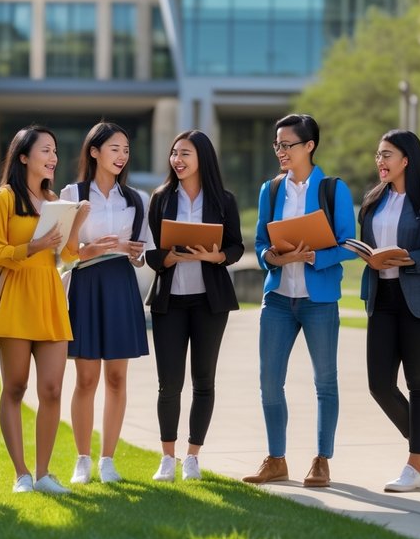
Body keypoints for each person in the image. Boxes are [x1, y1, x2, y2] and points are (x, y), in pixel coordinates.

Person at [244, 113, 357, 489]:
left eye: (287, 144)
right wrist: (270, 258)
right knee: (269, 382)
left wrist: (315, 257)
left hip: (318, 300)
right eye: (277, 145)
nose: (281, 151)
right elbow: (261, 242)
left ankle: (322, 460)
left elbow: (349, 245)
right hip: (277, 299)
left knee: (325, 381)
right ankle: (276, 460)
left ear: (309, 146)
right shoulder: (271, 190)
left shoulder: (333, 189)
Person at [0, 125, 87, 495]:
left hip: (50, 297)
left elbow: (68, 256)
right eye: (46, 150)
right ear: (23, 156)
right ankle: (21, 474)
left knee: (53, 388)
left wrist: (77, 224)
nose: (53, 157)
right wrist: (34, 244)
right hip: (15, 298)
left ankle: (43, 474)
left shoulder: (54, 199)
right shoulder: (2, 200)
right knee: (15, 386)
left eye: (55, 151)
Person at [357, 130, 420, 493]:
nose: (380, 161)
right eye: (378, 155)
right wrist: (368, 255)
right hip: (381, 296)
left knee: (418, 383)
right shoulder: (373, 200)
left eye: (387, 155)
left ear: (406, 160)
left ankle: (414, 463)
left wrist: (409, 258)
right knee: (379, 385)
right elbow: (368, 244)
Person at [146, 130, 244, 482]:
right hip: (170, 302)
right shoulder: (159, 199)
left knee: (204, 381)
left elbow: (236, 247)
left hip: (209, 302)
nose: (178, 160)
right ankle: (167, 458)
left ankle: (192, 457)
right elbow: (149, 253)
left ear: (202, 158)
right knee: (168, 383)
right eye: (174, 153)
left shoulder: (223, 201)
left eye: (185, 153)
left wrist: (215, 255)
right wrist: (168, 257)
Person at [59, 122, 151, 485]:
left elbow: (143, 256)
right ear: (94, 152)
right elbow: (61, 253)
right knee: (85, 378)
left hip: (120, 284)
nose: (122, 156)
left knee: (116, 377)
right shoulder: (72, 194)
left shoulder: (137, 200)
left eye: (126, 149)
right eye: (114, 148)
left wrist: (135, 253)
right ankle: (82, 458)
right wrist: (89, 250)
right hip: (86, 282)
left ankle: (108, 459)